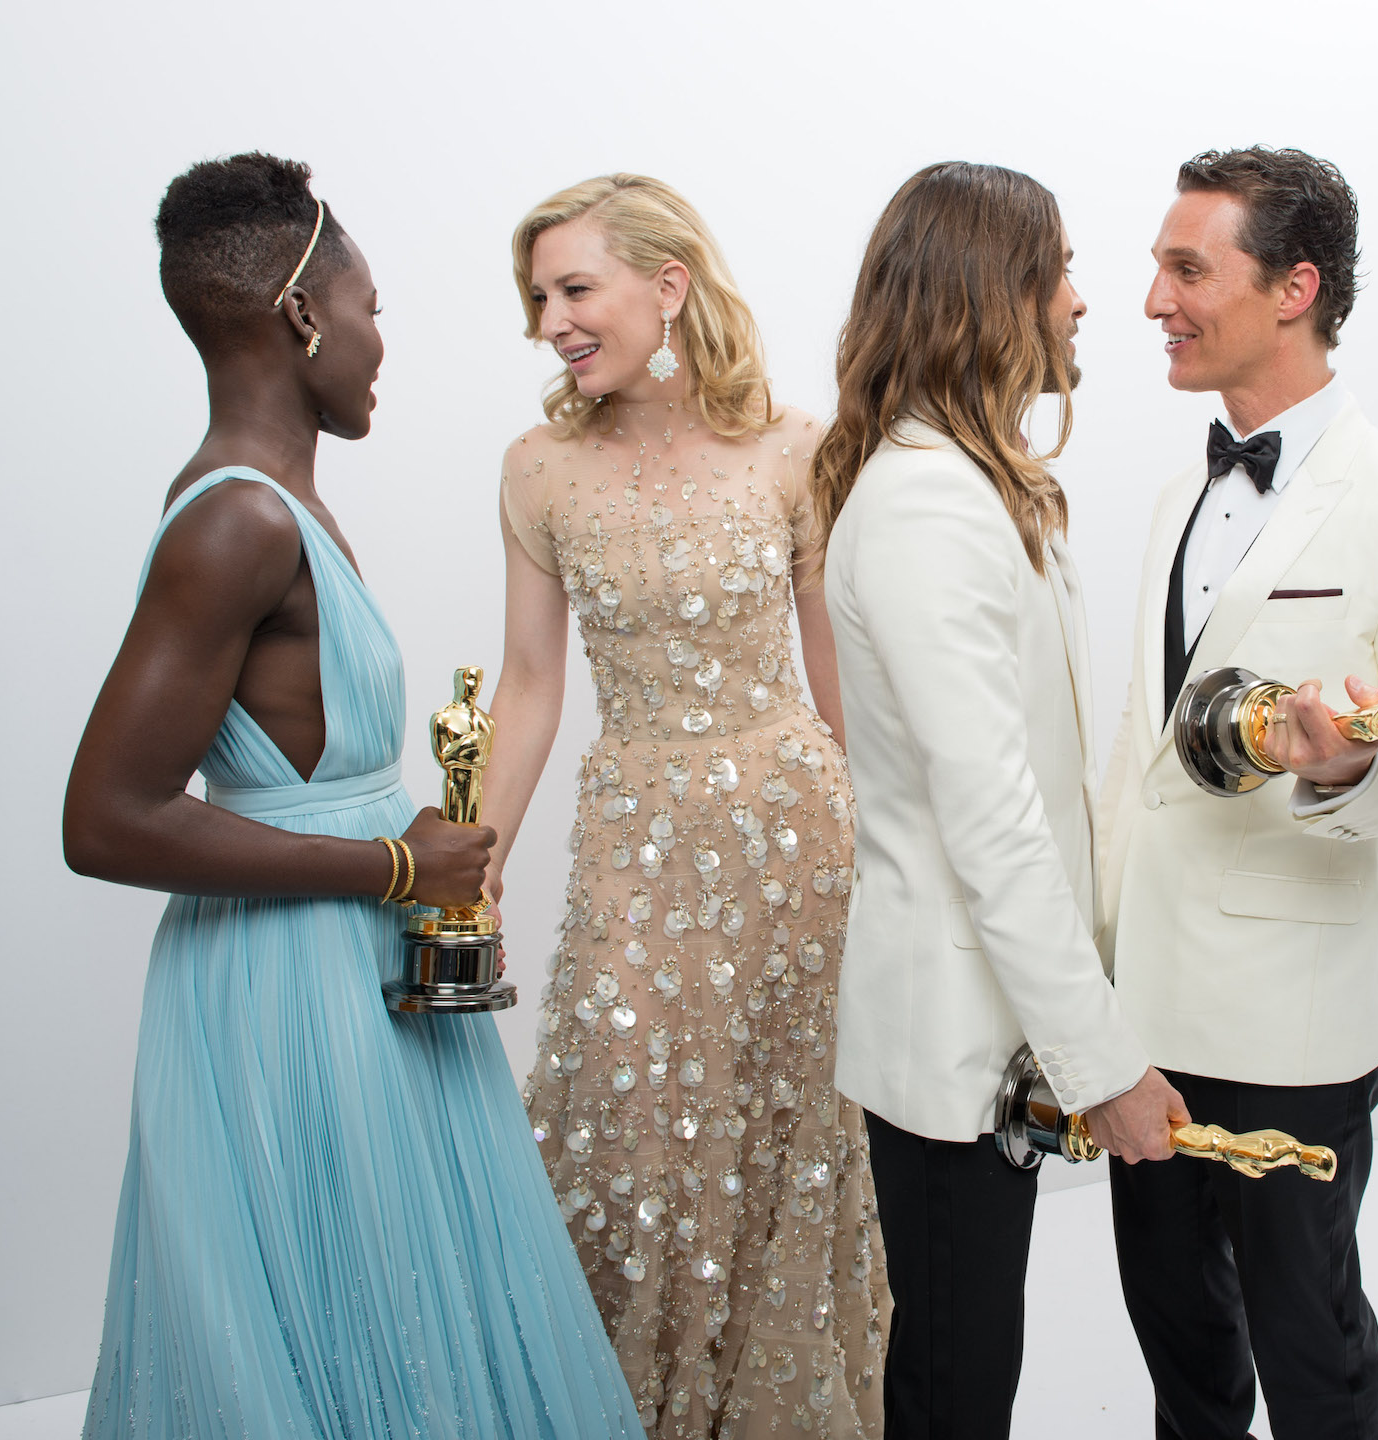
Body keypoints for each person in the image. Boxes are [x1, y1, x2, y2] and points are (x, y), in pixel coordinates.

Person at [65, 153, 643, 1440]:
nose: (382, 339)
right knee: (336, 1320)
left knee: (395, 1318)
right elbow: (103, 819)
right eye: (369, 307)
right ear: (302, 313)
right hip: (289, 991)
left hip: (351, 965)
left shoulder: (277, 503)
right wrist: (394, 868)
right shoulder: (238, 522)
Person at [1095, 147, 1378, 1440]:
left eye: (1187, 269)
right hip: (1141, 1012)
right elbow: (1142, 755)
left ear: (1295, 289)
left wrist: (1353, 767)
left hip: (1295, 1023)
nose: (1153, 301)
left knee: (1311, 1353)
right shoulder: (1178, 491)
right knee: (1179, 1352)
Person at [482, 174, 888, 1439]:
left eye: (574, 288)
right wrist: (471, 862)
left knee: (786, 1133)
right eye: (539, 297)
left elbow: (839, 677)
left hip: (794, 841)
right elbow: (531, 682)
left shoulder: (794, 445)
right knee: (623, 1122)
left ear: (669, 286)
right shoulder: (540, 468)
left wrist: (904, 853)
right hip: (636, 838)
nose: (551, 320)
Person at [811, 161, 1191, 1439]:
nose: (1083, 301)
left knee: (971, 1369)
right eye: (1060, 270)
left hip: (992, 1021)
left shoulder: (976, 486)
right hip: (950, 1037)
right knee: (956, 1386)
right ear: (991, 292)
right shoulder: (927, 503)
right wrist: (1104, 1062)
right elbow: (994, 820)